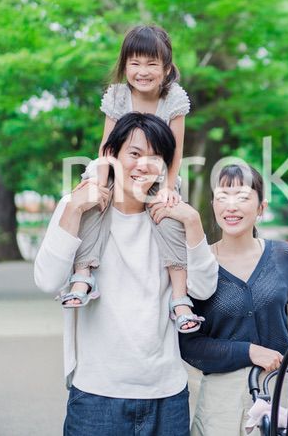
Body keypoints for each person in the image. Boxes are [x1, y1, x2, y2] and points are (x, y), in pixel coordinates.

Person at [34, 113, 218, 435]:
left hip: (167, 395)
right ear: (111, 155)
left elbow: (203, 289)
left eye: (155, 157)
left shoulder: (172, 216)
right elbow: (47, 280)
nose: (143, 165)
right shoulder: (77, 206)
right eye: (134, 153)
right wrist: (74, 208)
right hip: (95, 395)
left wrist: (192, 222)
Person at [61, 25, 203, 333]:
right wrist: (101, 182)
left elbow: (176, 151)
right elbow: (106, 144)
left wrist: (167, 188)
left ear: (167, 68)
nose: (143, 71)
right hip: (114, 166)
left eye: (152, 64)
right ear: (124, 65)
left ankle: (180, 298)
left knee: (169, 217)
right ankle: (83, 274)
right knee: (93, 205)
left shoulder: (174, 99)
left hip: (157, 173)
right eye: (135, 63)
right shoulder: (117, 95)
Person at [179, 164, 288, 436]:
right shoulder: (199, 266)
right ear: (213, 205)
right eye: (222, 197)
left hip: (280, 391)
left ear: (261, 207)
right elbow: (190, 345)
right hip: (221, 405)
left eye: (243, 197)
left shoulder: (283, 256)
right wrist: (249, 352)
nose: (231, 206)